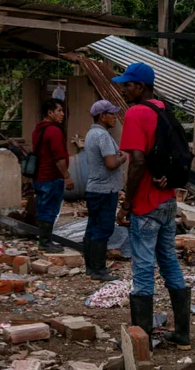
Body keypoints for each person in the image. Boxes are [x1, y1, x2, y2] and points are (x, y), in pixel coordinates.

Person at [113, 62, 191, 351]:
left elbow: (137, 162)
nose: (123, 89)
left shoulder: (137, 112)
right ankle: (182, 335)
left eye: (128, 84)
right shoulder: (164, 110)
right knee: (169, 261)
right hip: (168, 199)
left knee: (143, 267)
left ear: (141, 86)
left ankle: (140, 340)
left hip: (146, 202)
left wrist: (127, 203)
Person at [83, 100, 127, 282]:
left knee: (92, 228)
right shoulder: (103, 136)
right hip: (105, 190)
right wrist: (123, 158)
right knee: (103, 229)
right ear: (102, 116)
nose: (115, 118)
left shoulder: (91, 133)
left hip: (94, 188)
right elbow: (110, 163)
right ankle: (99, 271)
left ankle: (90, 268)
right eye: (112, 114)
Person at [32, 98, 74, 253]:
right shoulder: (54, 131)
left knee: (43, 209)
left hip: (39, 177)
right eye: (59, 111)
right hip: (51, 177)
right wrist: (66, 176)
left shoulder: (38, 129)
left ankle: (43, 240)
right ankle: (45, 242)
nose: (62, 114)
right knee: (50, 210)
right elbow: (59, 157)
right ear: (50, 113)